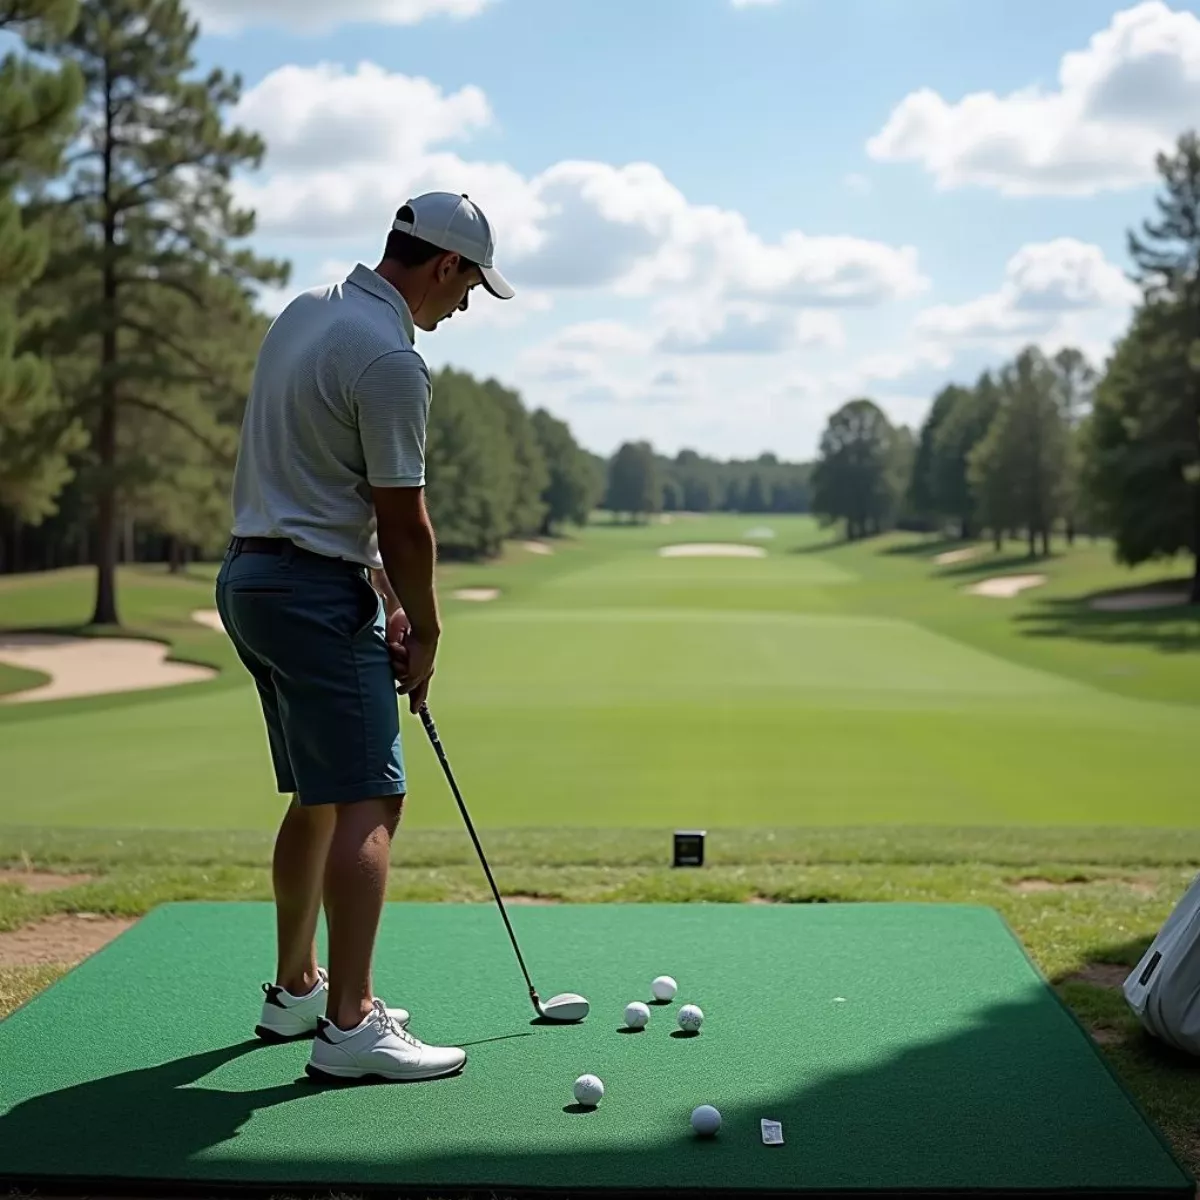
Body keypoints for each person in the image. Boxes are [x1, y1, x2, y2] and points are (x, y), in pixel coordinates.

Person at [214, 192, 514, 1084]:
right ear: (445, 265)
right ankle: (349, 1027)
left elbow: (313, 476)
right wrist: (424, 625)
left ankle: (298, 987)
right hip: (310, 593)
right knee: (370, 801)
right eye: (466, 289)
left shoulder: (306, 312)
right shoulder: (392, 359)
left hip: (252, 579)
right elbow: (404, 520)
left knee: (315, 791)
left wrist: (372, 586)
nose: (462, 309)